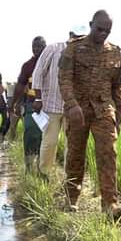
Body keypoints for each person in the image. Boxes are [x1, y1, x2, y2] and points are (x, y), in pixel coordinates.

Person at [58, 11, 121, 220]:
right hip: (79, 111)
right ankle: (72, 197)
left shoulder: (115, 52)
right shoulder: (74, 49)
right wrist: (72, 105)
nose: (103, 33)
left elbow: (117, 87)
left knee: (108, 154)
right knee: (76, 154)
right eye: (99, 29)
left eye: (107, 31)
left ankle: (110, 204)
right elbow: (64, 79)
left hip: (104, 110)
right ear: (90, 25)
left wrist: (119, 116)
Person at [32, 26, 88, 178]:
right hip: (51, 105)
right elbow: (38, 73)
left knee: (72, 144)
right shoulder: (53, 49)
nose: (80, 41)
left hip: (72, 109)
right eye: (77, 37)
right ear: (70, 35)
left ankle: (70, 178)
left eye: (82, 38)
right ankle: (44, 173)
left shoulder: (85, 54)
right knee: (50, 143)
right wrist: (38, 98)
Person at [11, 36, 46, 172]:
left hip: (48, 107)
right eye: (34, 46)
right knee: (30, 134)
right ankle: (29, 167)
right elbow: (20, 86)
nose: (36, 49)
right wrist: (13, 103)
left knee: (44, 138)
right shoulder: (27, 66)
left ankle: (42, 169)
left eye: (39, 46)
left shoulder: (51, 63)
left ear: (45, 47)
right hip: (32, 106)